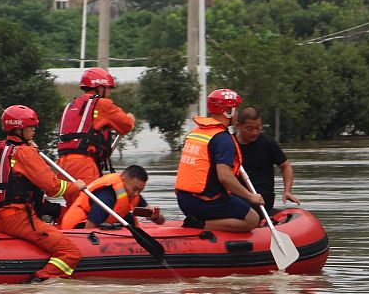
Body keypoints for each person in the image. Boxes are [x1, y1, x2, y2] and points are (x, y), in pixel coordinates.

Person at [0, 104, 86, 282]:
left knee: (62, 214)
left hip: (0, 219)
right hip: (20, 220)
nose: (33, 130)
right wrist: (75, 186)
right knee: (71, 252)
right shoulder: (25, 152)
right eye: (30, 127)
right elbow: (53, 187)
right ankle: (40, 280)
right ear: (18, 129)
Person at [174, 88, 264, 232]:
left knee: (233, 200)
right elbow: (225, 177)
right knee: (252, 219)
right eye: (235, 108)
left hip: (184, 200)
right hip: (205, 201)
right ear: (228, 111)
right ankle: (199, 225)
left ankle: (201, 220)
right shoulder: (223, 139)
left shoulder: (195, 133)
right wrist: (250, 196)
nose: (237, 113)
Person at [56, 67, 136, 183]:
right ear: (100, 88)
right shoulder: (102, 104)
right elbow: (126, 125)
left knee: (75, 201)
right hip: (84, 166)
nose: (110, 93)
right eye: (109, 89)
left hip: (62, 166)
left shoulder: (71, 105)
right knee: (88, 200)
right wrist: (130, 118)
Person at [232, 106, 299, 214]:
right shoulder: (229, 144)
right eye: (250, 129)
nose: (254, 132)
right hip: (237, 196)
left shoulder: (268, 143)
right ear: (238, 126)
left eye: (258, 128)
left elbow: (286, 167)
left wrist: (287, 191)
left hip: (263, 198)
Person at [59, 165, 167, 229]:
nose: (136, 194)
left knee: (129, 218)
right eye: (135, 189)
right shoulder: (107, 197)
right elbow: (89, 228)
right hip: (76, 227)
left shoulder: (133, 194)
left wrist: (155, 216)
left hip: (97, 222)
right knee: (127, 219)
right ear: (123, 180)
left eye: (140, 190)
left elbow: (160, 222)